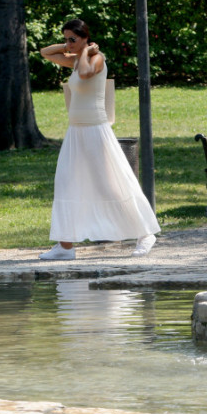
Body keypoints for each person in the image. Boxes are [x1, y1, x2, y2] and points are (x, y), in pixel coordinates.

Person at [37, 19, 160, 260]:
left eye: (73, 38)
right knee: (66, 182)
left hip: (96, 129)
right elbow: (45, 53)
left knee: (113, 183)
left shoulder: (96, 59)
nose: (68, 43)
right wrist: (69, 47)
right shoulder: (74, 58)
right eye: (66, 38)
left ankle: (146, 234)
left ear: (86, 38)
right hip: (75, 132)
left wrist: (86, 52)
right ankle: (65, 246)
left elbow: (84, 74)